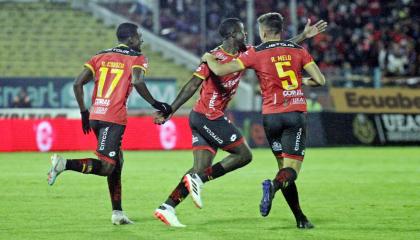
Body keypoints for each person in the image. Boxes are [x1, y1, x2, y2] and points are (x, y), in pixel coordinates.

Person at [153, 17, 327, 227]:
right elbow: (191, 86)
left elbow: (274, 49)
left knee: (200, 168)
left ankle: (167, 207)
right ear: (232, 35)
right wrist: (170, 110)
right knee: (244, 155)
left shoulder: (247, 52)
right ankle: (198, 181)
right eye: (242, 32)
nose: (246, 35)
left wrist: (302, 36)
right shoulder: (214, 57)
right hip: (207, 116)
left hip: (206, 117)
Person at [46, 22, 171, 225]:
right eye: (139, 37)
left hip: (96, 115)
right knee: (106, 166)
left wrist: (84, 113)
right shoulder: (136, 58)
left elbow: (78, 83)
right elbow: (138, 82)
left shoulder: (99, 56)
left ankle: (118, 213)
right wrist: (157, 104)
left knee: (117, 162)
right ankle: (64, 164)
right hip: (113, 118)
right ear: (130, 39)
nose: (142, 40)